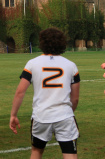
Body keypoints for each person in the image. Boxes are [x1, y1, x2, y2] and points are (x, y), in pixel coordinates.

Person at [10, 28, 80, 159]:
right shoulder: (71, 66)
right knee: (70, 154)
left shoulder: (32, 64)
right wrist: (68, 112)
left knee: (36, 152)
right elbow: (75, 99)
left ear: (42, 43)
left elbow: (20, 92)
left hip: (41, 116)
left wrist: (13, 115)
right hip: (64, 116)